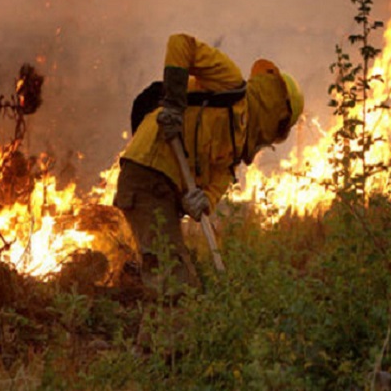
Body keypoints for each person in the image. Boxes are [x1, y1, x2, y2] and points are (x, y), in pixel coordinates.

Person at [113, 33, 304, 293]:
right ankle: (167, 332)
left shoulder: (233, 155)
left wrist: (198, 202)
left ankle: (160, 334)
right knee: (174, 283)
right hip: (148, 174)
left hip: (163, 192)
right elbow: (180, 44)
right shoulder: (229, 84)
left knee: (182, 284)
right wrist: (175, 105)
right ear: (277, 114)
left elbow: (209, 198)